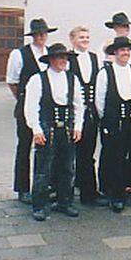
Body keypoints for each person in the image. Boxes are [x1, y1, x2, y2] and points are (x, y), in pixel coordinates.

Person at [24, 43, 84, 221]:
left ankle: (65, 202)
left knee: (67, 167)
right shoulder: (37, 79)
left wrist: (78, 126)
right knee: (43, 168)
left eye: (66, 58)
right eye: (60, 57)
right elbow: (31, 106)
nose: (64, 61)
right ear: (51, 59)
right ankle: (39, 205)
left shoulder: (73, 79)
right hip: (46, 127)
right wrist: (36, 129)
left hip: (67, 128)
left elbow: (79, 105)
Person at [96, 36, 131, 213]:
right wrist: (109, 120)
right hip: (114, 124)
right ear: (115, 52)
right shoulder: (105, 73)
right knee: (115, 160)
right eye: (122, 50)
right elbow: (100, 101)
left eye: (127, 50)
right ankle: (117, 197)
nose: (125, 53)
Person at [5, 18, 53, 204]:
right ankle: (22, 189)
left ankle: (45, 187)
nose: (41, 36)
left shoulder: (50, 53)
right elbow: (12, 81)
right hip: (26, 107)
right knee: (24, 147)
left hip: (48, 109)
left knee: (48, 149)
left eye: (44, 33)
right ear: (32, 36)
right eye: (38, 34)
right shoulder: (19, 54)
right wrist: (24, 100)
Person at [68, 25, 108, 207]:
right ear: (73, 40)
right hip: (73, 113)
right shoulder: (68, 59)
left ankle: (88, 191)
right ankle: (68, 192)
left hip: (90, 113)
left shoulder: (95, 58)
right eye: (81, 37)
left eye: (87, 37)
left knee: (88, 153)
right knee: (71, 154)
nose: (85, 40)